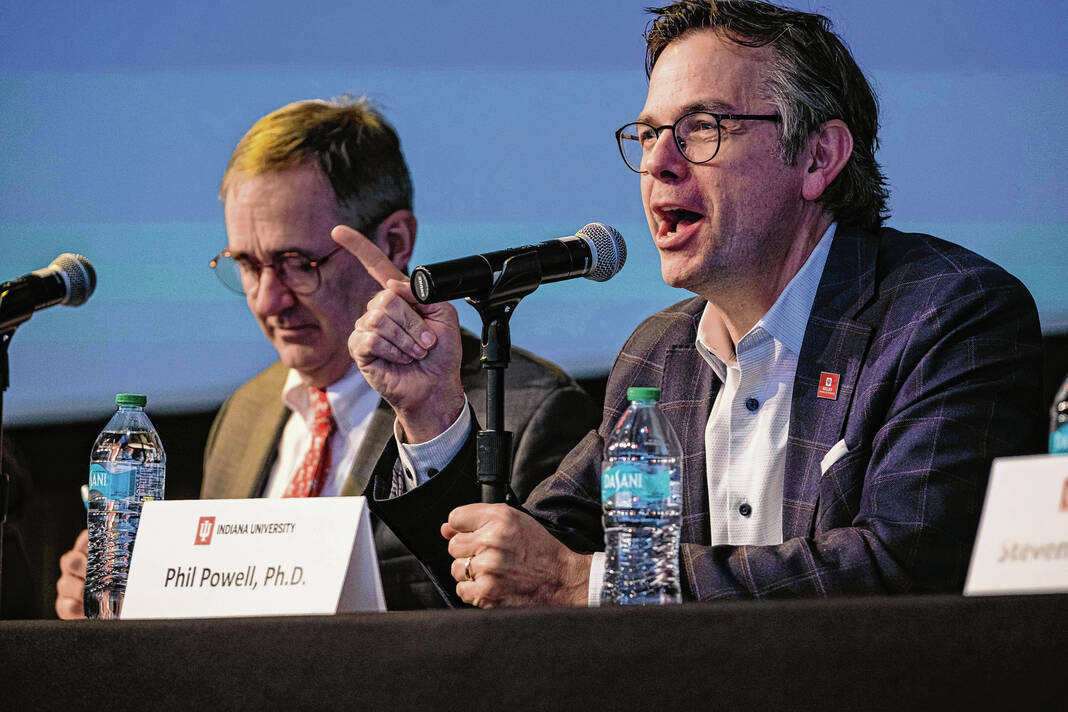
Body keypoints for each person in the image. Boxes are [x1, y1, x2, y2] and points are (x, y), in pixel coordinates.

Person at [335, 0, 1045, 608]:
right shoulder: (659, 355)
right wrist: (430, 412)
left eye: (702, 127)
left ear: (818, 158)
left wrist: (597, 583)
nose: (658, 163)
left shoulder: (948, 316)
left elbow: (904, 569)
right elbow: (523, 572)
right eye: (647, 134)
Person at [54, 97, 599, 617]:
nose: (269, 299)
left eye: (297, 262)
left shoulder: (530, 412)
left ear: (394, 240)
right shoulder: (245, 414)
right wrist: (133, 595)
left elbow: (534, 633)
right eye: (247, 264)